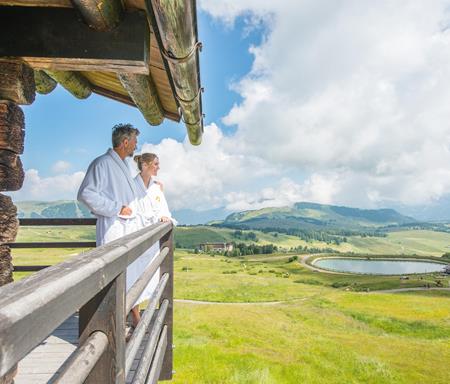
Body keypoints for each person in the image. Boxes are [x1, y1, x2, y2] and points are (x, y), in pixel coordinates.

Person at [126, 153, 177, 326]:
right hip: (135, 235)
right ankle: (135, 316)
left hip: (151, 240)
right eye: (156, 164)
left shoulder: (156, 187)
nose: (158, 167)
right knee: (134, 275)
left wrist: (164, 216)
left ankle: (139, 313)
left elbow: (164, 209)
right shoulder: (132, 186)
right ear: (146, 165)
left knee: (148, 275)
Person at [77, 123, 141, 246]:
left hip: (127, 228)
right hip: (112, 228)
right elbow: (85, 194)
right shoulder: (102, 163)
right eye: (135, 142)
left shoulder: (124, 166)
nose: (136, 146)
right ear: (126, 142)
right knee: (114, 264)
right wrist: (118, 208)